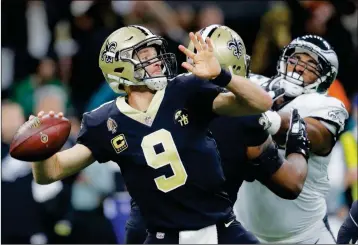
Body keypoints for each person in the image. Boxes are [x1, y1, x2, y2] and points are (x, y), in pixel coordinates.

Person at [29, 25, 272, 244]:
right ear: (119, 65)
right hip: (164, 237)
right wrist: (39, 150)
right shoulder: (105, 121)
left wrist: (222, 75)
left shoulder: (185, 90)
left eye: (155, 53)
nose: (156, 61)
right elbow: (51, 172)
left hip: (223, 230)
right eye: (145, 55)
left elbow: (261, 102)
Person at [125, 25, 311, 244]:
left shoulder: (152, 103)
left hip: (144, 231)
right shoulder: (243, 119)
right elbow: (291, 185)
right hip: (203, 233)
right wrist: (298, 145)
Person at [237, 34, 349, 244]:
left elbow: (313, 133)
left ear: (325, 75)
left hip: (305, 235)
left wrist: (266, 120)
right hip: (244, 232)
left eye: (311, 64)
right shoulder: (254, 84)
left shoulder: (328, 105)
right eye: (296, 59)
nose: (299, 67)